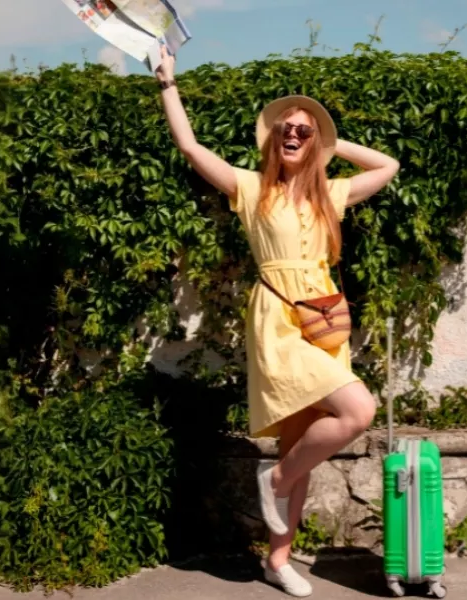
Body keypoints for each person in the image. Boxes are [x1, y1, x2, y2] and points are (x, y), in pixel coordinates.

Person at [155, 45, 399, 597]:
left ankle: (276, 560)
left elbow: (388, 165)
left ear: (316, 144)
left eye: (303, 131)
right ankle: (278, 480)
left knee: (299, 445)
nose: (292, 135)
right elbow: (191, 147)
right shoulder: (251, 188)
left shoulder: (331, 195)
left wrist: (330, 142)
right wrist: (169, 84)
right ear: (272, 138)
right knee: (357, 410)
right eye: (285, 128)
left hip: (323, 319)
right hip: (279, 318)